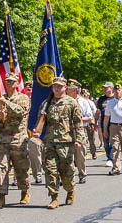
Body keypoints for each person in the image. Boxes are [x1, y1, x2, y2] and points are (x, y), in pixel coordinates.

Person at [32, 76, 86, 210]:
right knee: (50, 170)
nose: (57, 88)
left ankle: (70, 190)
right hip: (49, 142)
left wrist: (79, 140)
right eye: (54, 86)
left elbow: (78, 124)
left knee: (66, 171)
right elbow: (41, 121)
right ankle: (54, 197)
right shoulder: (46, 103)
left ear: (65, 87)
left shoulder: (71, 103)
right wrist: (37, 132)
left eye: (60, 86)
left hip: (66, 143)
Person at [0, 73, 32, 208]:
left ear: (16, 83)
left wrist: (7, 103)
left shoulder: (23, 98)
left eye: (11, 81)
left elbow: (21, 112)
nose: (9, 83)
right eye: (7, 81)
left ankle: (24, 192)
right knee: (1, 168)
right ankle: (1, 197)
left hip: (17, 138)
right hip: (2, 138)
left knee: (21, 168)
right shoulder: (0, 99)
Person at [67, 79, 94, 183]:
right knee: (67, 154)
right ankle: (68, 175)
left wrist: (78, 119)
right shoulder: (63, 101)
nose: (67, 90)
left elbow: (90, 117)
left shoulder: (83, 102)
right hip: (66, 130)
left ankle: (82, 174)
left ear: (75, 90)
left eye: (69, 89)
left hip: (78, 129)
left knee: (80, 154)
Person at [22, 80, 43, 184]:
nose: (30, 92)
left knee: (35, 153)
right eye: (28, 89)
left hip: (33, 132)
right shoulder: (20, 100)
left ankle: (38, 174)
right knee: (19, 155)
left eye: (32, 90)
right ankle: (17, 178)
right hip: (20, 132)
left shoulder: (38, 102)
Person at [95, 82, 115, 167]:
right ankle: (110, 158)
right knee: (106, 141)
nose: (105, 89)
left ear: (111, 88)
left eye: (107, 87)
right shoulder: (101, 99)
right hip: (104, 122)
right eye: (104, 88)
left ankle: (115, 157)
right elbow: (98, 111)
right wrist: (95, 122)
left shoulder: (116, 98)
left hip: (115, 122)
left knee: (115, 141)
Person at [81, 88, 98, 159]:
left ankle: (93, 152)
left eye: (85, 94)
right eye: (83, 94)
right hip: (81, 124)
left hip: (89, 123)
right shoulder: (79, 101)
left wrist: (94, 124)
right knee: (83, 140)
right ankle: (83, 154)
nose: (84, 95)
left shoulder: (91, 103)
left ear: (88, 95)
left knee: (91, 139)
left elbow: (94, 114)